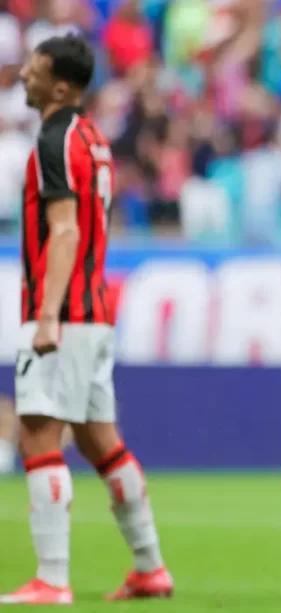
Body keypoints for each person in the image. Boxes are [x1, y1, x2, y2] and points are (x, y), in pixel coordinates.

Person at [1, 34, 172, 605]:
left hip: (65, 313)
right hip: (94, 313)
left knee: (37, 434)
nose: (24, 74)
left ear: (60, 87)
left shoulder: (55, 139)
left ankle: (52, 578)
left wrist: (47, 315)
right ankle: (150, 568)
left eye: (35, 68)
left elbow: (66, 229)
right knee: (102, 443)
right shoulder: (93, 139)